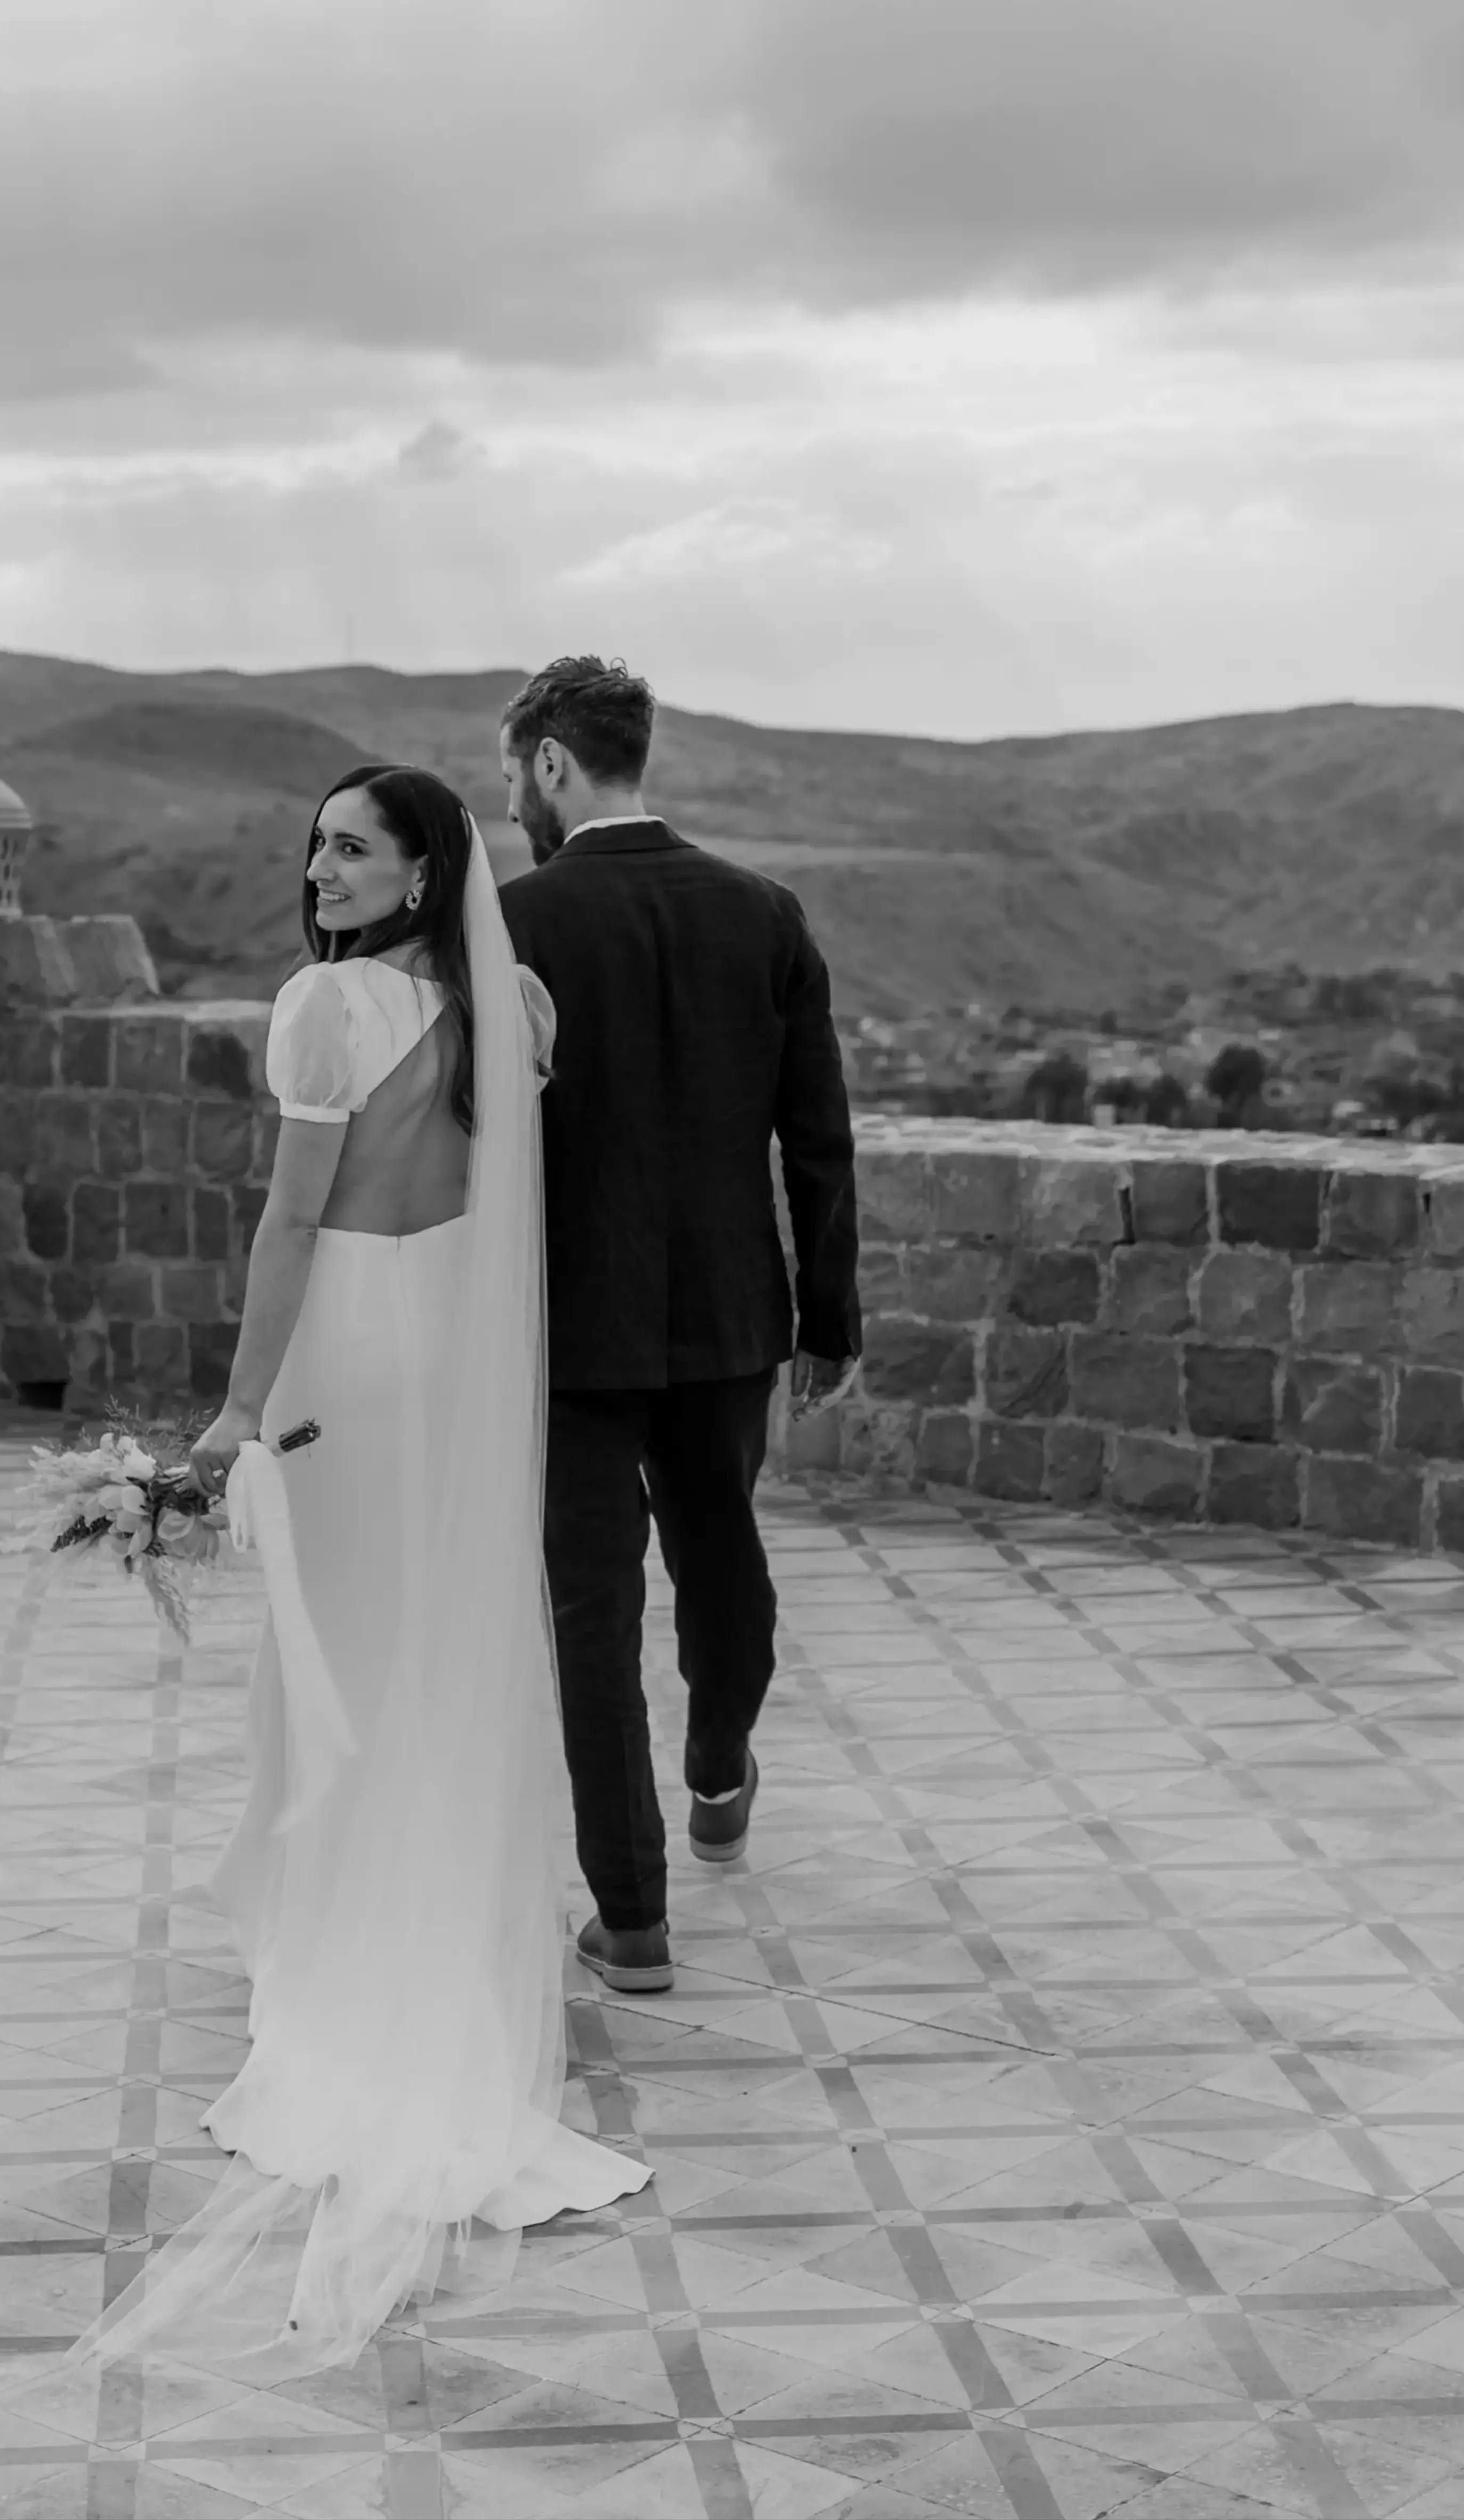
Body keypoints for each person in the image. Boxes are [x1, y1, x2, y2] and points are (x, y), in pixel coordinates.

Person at [65, 762, 650, 2387]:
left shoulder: (323, 1009)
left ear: (417, 869)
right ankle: (425, 1903)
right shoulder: (512, 998)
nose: (319, 867)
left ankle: (332, 1919)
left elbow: (289, 1224)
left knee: (337, 1638)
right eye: (314, 840)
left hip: (350, 1348)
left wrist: (240, 1404)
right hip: (458, 1352)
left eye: (352, 846)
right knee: (434, 1635)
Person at [498, 656, 861, 1996]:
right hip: (729, 1314)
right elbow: (816, 1137)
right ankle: (719, 1770)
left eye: (512, 776)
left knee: (591, 1609)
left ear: (548, 762)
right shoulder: (764, 913)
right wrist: (829, 1314)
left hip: (569, 1323)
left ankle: (634, 1920)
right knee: (723, 1552)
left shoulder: (515, 918)